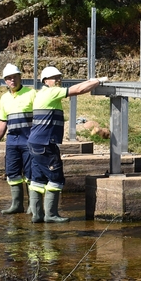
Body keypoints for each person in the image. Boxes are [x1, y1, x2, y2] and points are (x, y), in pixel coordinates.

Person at [27, 66, 107, 223]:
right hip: (45, 144)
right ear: (45, 81)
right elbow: (77, 90)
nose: (58, 80)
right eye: (54, 78)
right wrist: (96, 82)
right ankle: (51, 215)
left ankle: (37, 216)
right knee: (56, 178)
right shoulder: (51, 92)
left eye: (59, 77)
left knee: (37, 179)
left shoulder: (41, 93)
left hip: (34, 143)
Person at [0, 64, 36, 215]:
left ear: (20, 77)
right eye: (9, 78)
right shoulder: (4, 98)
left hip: (29, 140)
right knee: (13, 173)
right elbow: (3, 121)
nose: (12, 80)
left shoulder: (31, 94)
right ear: (5, 81)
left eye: (15, 77)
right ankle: (17, 205)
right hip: (12, 142)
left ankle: (32, 206)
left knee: (31, 173)